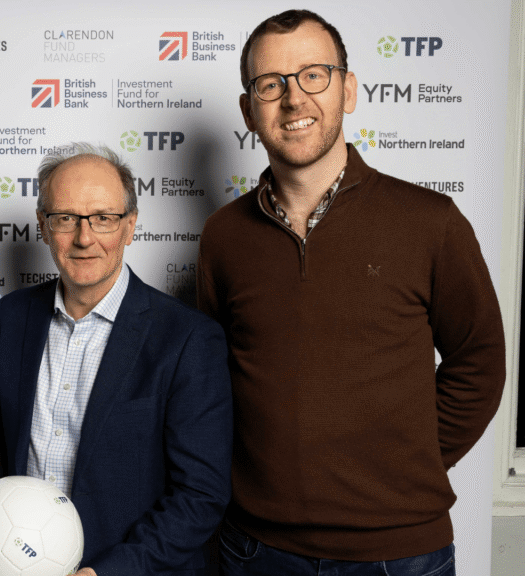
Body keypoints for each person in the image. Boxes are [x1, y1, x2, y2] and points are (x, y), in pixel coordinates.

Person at [197, 9, 505, 575]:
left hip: (401, 555)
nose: (294, 99)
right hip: (255, 550)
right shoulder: (223, 237)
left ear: (348, 89)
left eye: (314, 75)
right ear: (249, 111)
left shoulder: (429, 221)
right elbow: (213, 383)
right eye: (271, 84)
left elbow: (479, 362)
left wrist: (408, 464)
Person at [0, 143, 233, 576]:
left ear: (130, 226)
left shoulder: (187, 339)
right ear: (43, 226)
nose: (84, 238)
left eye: (103, 218)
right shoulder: (10, 318)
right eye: (65, 218)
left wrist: (108, 572)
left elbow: (200, 496)